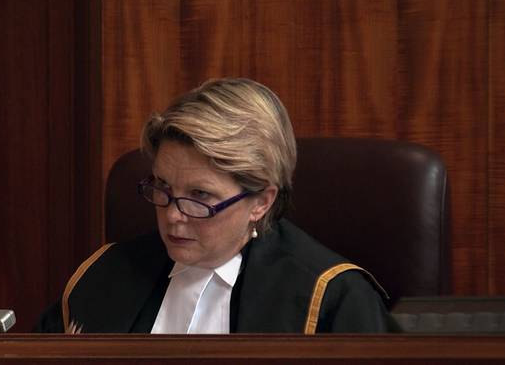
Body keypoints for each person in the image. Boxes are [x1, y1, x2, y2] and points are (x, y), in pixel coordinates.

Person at [33, 78, 389, 334]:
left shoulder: (334, 299)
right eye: (163, 186)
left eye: (200, 196)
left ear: (261, 202)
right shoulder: (104, 276)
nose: (173, 215)